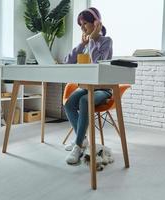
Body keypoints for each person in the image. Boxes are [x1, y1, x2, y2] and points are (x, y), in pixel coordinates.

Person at [64, 7, 113, 165]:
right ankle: (83, 139)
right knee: (70, 103)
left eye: (85, 23)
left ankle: (78, 146)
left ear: (96, 23)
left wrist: (92, 40)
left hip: (103, 89)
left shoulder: (106, 41)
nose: (83, 27)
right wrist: (81, 45)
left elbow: (97, 63)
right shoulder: (85, 43)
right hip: (86, 86)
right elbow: (68, 62)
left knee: (85, 101)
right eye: (80, 25)